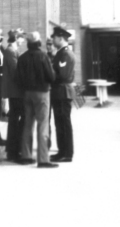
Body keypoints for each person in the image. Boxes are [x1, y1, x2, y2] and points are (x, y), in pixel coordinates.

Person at [16, 31, 58, 168]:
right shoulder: (43, 56)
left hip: (27, 94)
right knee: (43, 125)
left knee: (27, 124)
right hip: (42, 93)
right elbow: (51, 77)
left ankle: (26, 156)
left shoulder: (22, 58)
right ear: (38, 42)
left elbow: (18, 78)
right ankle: (43, 159)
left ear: (28, 43)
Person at [50, 26, 75, 163]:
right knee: (60, 123)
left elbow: (63, 75)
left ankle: (67, 153)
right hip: (60, 92)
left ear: (60, 38)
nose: (52, 39)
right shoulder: (61, 53)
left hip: (62, 92)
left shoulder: (64, 54)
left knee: (63, 123)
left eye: (54, 37)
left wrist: (48, 75)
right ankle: (62, 151)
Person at [2, 28, 26, 161]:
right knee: (15, 120)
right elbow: (16, 71)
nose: (22, 40)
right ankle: (13, 149)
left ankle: (13, 148)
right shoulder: (11, 51)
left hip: (16, 91)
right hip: (16, 91)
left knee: (15, 120)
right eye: (21, 37)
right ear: (16, 37)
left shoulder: (13, 51)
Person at [46, 37, 57, 149]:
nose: (49, 46)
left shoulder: (58, 57)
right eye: (47, 44)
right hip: (47, 91)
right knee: (46, 119)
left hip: (57, 91)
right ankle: (47, 142)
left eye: (51, 44)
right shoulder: (45, 57)